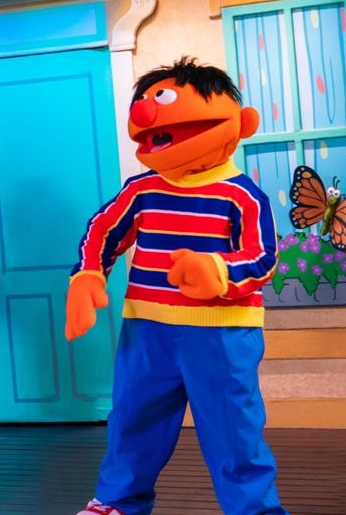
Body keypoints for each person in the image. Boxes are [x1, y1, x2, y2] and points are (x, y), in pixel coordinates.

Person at [67, 57, 286, 515]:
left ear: (240, 124)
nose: (151, 122)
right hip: (147, 331)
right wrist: (88, 273)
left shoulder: (243, 194)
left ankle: (255, 511)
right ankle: (116, 504)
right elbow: (104, 229)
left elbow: (264, 257)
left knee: (233, 430)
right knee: (132, 421)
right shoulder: (142, 188)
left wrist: (219, 273)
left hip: (222, 333)